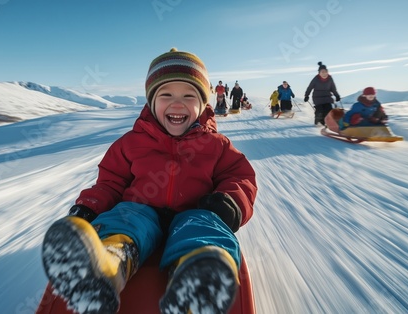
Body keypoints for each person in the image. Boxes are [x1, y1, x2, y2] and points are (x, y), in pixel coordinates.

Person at [41, 48, 257, 314]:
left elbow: (239, 176)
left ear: (202, 104)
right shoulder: (130, 144)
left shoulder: (216, 145)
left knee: (206, 226)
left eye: (189, 96)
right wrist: (90, 207)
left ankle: (197, 278)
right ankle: (107, 266)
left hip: (194, 213)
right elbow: (110, 182)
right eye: (166, 95)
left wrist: (228, 202)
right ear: (151, 102)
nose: (177, 104)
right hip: (140, 211)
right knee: (125, 216)